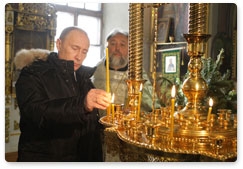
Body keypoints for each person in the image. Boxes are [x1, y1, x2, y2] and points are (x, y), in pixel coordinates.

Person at [14, 26, 111, 162]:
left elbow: (89, 125)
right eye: (75, 48)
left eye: (84, 52)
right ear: (59, 44)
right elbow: (36, 113)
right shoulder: (33, 73)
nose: (79, 57)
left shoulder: (83, 77)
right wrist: (82, 104)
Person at [92, 29, 161, 117]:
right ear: (107, 47)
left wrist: (135, 113)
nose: (117, 48)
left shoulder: (137, 73)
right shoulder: (96, 71)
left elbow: (152, 106)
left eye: (122, 44)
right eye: (113, 44)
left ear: (129, 49)